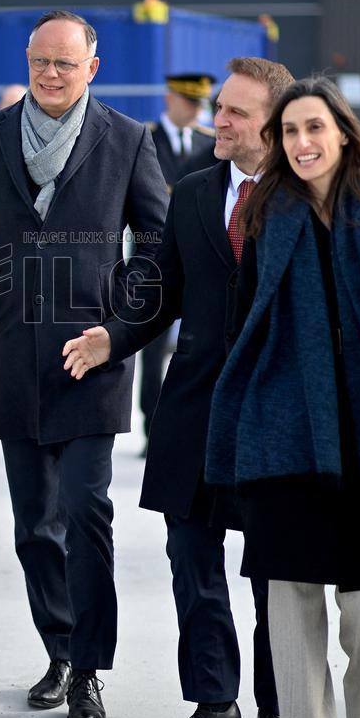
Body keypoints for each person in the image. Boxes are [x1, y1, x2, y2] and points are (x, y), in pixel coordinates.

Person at [0, 10, 168, 718]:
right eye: (41, 60)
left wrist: (119, 327)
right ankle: (59, 650)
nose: (51, 73)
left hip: (93, 360)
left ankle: (89, 671)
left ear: (92, 68)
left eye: (65, 62)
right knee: (35, 524)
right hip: (16, 360)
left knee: (86, 512)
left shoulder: (127, 139)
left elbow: (158, 240)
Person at [63, 56, 295, 718]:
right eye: (219, 107)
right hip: (193, 410)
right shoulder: (193, 191)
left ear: (274, 126)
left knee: (274, 572)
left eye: (236, 112)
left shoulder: (305, 197)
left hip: (276, 415)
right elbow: (160, 291)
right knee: (192, 563)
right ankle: (214, 703)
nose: (218, 120)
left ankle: (280, 705)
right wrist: (113, 336)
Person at [206, 76, 360, 718]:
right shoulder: (265, 216)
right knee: (292, 608)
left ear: (342, 132)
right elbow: (246, 326)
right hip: (285, 430)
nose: (303, 142)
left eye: (315, 127)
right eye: (289, 131)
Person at [139, 74, 217, 454]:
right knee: (150, 344)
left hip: (199, 254)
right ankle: (151, 426)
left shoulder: (210, 142)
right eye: (189, 101)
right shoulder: (145, 139)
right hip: (156, 255)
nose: (196, 110)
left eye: (200, 103)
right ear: (170, 99)